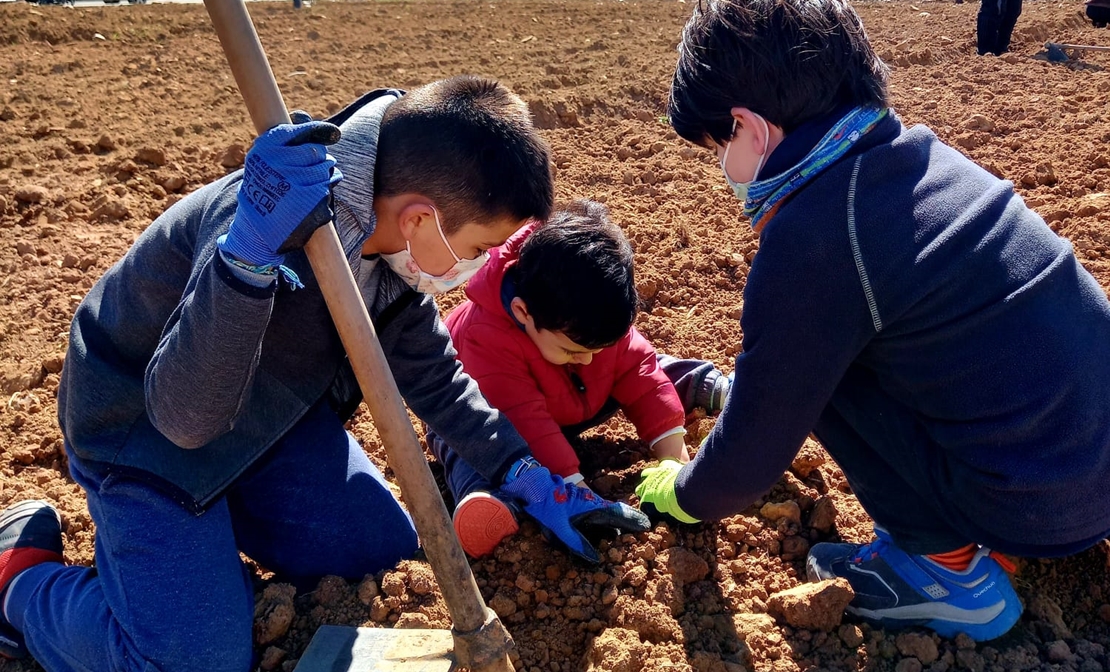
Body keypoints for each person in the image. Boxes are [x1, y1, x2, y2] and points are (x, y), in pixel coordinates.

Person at [0, 76, 649, 671]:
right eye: (479, 249)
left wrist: (526, 473)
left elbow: (435, 380)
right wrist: (248, 258)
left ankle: (200, 573)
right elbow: (185, 418)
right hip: (145, 432)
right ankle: (23, 584)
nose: (479, 270)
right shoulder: (268, 213)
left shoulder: (389, 246)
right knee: (194, 663)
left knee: (386, 558)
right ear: (421, 217)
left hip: (271, 420)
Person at [636, 0, 1110, 643]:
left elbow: (755, 444)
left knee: (819, 364)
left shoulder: (817, 237)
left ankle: (947, 575)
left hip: (1043, 506)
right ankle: (1013, 520)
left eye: (719, 145)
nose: (724, 169)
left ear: (749, 126)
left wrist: (682, 492)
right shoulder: (920, 161)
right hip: (1088, 466)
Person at [427, 200, 730, 558]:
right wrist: (577, 491)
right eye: (574, 350)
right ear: (524, 312)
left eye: (598, 347)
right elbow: (525, 419)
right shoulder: (486, 336)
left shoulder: (589, 319)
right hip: (496, 420)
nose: (587, 358)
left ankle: (706, 384)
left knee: (646, 366)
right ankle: (491, 502)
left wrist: (674, 462)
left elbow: (639, 371)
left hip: (574, 397)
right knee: (466, 449)